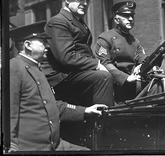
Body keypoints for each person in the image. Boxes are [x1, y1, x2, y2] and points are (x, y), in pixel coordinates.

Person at [9, 21, 107, 151]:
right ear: (27, 45)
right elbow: (8, 113)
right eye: (42, 42)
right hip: (32, 147)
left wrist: (85, 111)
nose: (47, 46)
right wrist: (11, 147)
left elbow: (52, 106)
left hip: (54, 144)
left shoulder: (37, 69)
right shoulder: (14, 67)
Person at [43, 0, 114, 107]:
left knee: (114, 75)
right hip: (61, 78)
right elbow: (66, 57)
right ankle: (102, 123)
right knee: (103, 77)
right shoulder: (58, 22)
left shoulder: (77, 21)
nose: (85, 3)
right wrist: (97, 64)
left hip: (74, 73)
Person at [95, 1, 147, 103]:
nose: (131, 19)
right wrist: (125, 78)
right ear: (116, 19)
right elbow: (104, 63)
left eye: (132, 16)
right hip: (115, 87)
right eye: (126, 16)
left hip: (134, 83)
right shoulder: (106, 38)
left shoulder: (135, 41)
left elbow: (143, 59)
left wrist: (140, 66)